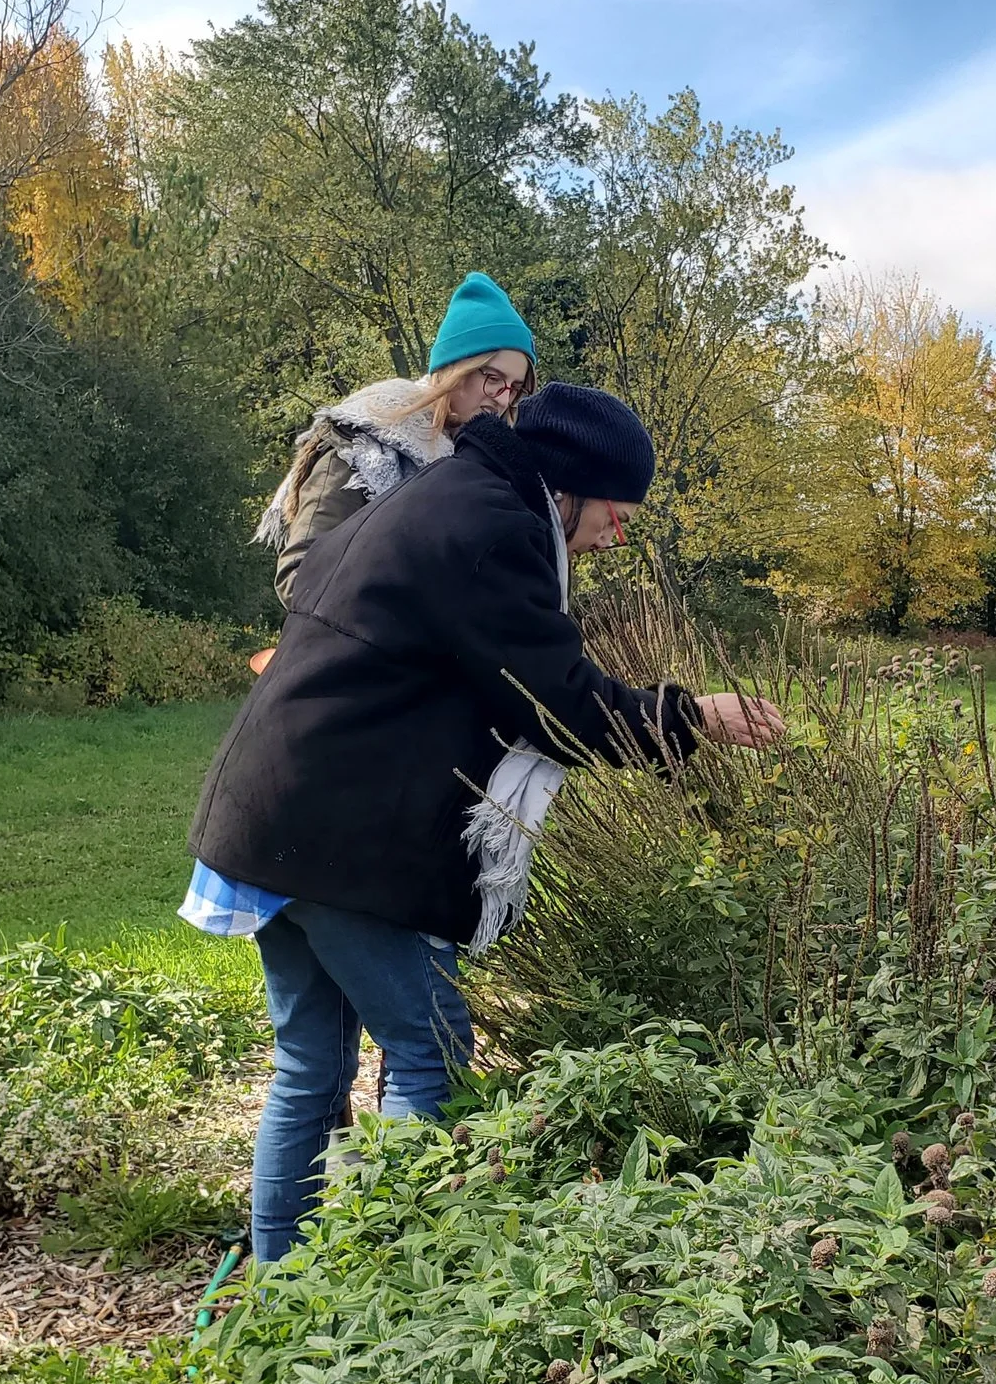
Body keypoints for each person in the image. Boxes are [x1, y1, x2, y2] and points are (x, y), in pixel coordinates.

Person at [182, 383, 784, 1262]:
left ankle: (279, 1295)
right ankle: (384, 1282)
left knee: (310, 1065)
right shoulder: (493, 527)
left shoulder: (447, 493)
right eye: (615, 513)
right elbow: (559, 702)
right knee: (431, 1051)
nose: (616, 535)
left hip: (270, 808)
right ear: (568, 485)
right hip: (335, 835)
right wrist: (693, 717)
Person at [254, 271, 537, 613]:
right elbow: (300, 577)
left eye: (515, 388)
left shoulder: (487, 466)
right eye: (493, 378)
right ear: (456, 368)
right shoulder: (362, 439)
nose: (503, 399)